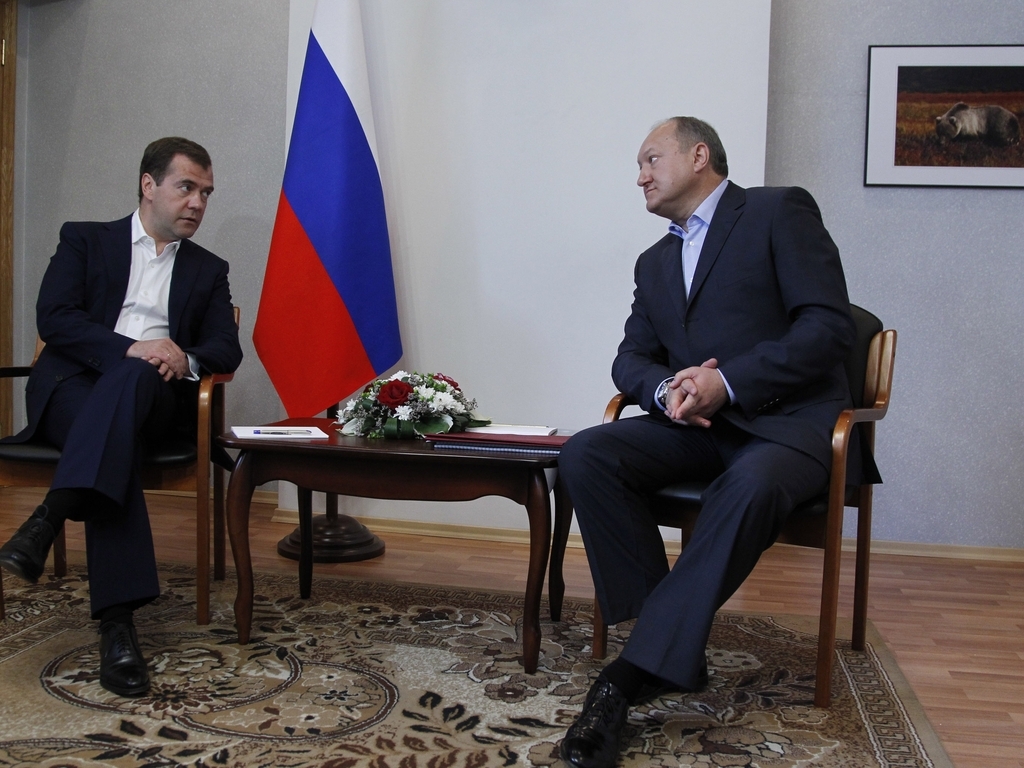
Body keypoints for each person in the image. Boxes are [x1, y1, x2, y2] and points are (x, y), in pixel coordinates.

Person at [557, 117, 876, 768]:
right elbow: (630, 358)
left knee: (748, 483)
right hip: (701, 432)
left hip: (791, 426)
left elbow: (827, 329)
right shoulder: (654, 262)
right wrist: (666, 388)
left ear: (699, 154)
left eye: (651, 159)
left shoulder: (777, 212)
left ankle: (627, 677)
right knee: (587, 452)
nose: (639, 176)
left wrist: (727, 382)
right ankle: (671, 644)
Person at [0, 137, 243, 697]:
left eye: (207, 193)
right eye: (187, 187)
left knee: (136, 378)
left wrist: (183, 357)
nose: (198, 203)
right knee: (118, 435)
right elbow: (55, 317)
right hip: (71, 390)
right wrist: (130, 348)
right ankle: (117, 627)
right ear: (148, 185)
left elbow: (224, 347)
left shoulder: (208, 269)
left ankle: (48, 518)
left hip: (152, 397)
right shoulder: (85, 239)